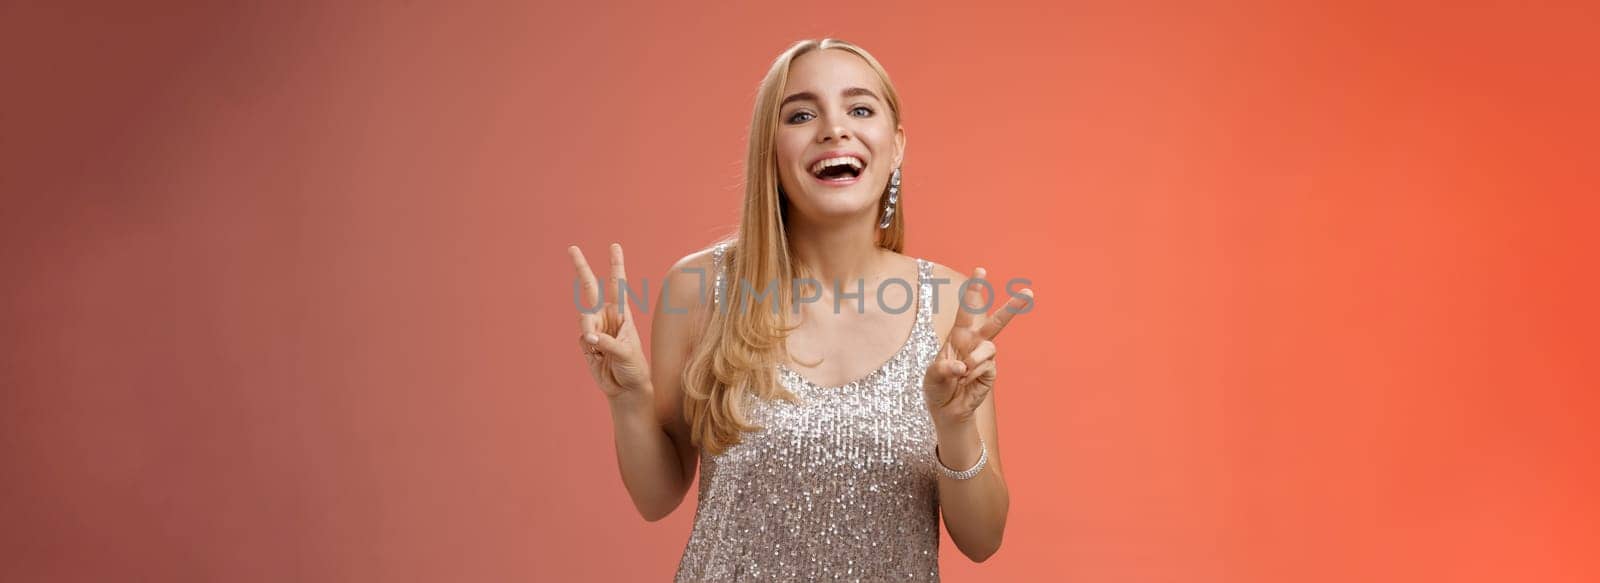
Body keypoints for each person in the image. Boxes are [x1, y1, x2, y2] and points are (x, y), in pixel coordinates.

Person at [567, 38, 1034, 581]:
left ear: (897, 145)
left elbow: (982, 541)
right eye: (802, 114)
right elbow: (657, 498)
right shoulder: (698, 288)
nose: (835, 128)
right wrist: (628, 400)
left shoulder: (950, 303)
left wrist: (955, 428)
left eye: (860, 109)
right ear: (770, 148)